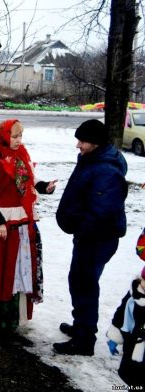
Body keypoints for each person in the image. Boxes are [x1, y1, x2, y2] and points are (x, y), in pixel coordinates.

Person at [0, 119, 54, 344]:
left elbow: (23, 184)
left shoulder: (21, 154)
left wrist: (44, 187)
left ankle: (6, 324)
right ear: (3, 135)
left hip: (19, 222)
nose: (18, 141)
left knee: (13, 273)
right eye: (14, 136)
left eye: (20, 136)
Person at [54, 119, 128, 356]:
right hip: (91, 236)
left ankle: (84, 339)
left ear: (95, 142)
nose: (78, 145)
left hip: (96, 238)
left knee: (84, 284)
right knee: (80, 281)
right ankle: (81, 327)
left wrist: (82, 231)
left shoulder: (106, 169)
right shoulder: (94, 159)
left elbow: (102, 212)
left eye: (82, 141)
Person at [106, 264, 145, 388]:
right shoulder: (134, 294)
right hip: (131, 347)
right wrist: (115, 336)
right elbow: (121, 313)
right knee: (133, 380)